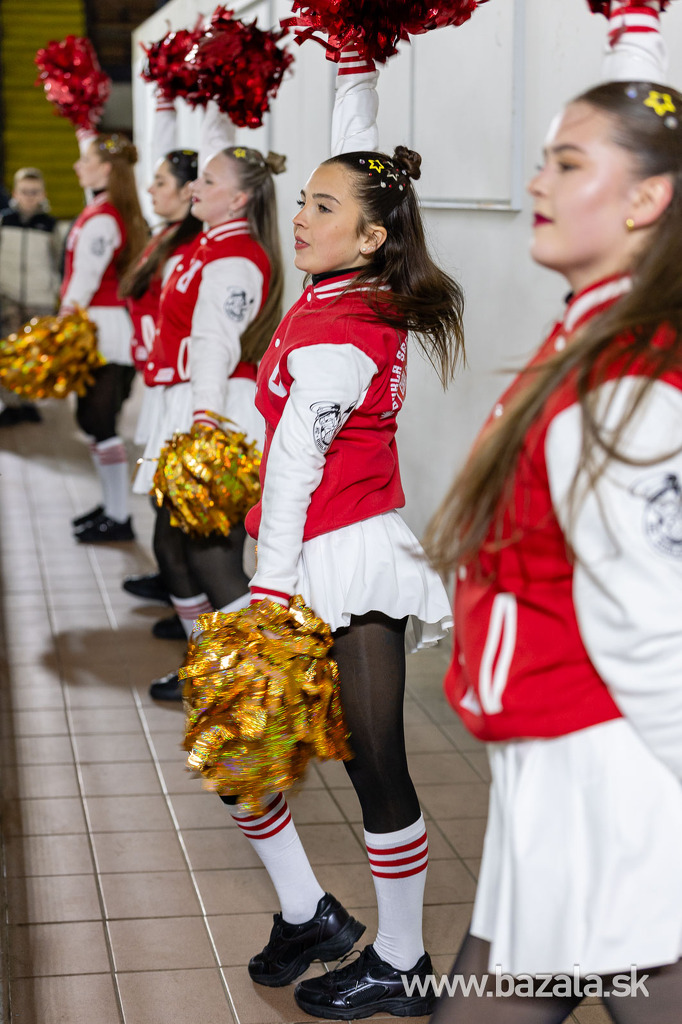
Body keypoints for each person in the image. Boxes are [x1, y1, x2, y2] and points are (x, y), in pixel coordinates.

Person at [424, 4, 682, 1022]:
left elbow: (656, 633)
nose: (535, 184)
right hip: (554, 776)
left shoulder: (629, 382)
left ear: (647, 198)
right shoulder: (592, 334)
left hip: (621, 783)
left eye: (567, 164)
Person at [215, 48, 464, 1021]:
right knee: (242, 749)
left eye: (323, 208)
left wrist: (268, 596)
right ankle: (309, 914)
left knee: (375, 766)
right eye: (303, 201)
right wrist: (353, 66)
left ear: (369, 236)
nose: (302, 218)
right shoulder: (338, 289)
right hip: (311, 555)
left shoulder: (339, 328)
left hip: (344, 563)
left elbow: (294, 469)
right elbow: (361, 162)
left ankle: (401, 962)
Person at [134, 100, 285, 699]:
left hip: (218, 411)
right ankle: (212, 666)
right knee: (172, 546)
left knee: (211, 557)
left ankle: (258, 680)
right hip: (195, 407)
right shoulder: (208, 245)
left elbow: (215, 346)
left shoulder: (235, 258)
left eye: (209, 181)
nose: (196, 185)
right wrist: (210, 100)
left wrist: (203, 424)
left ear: (239, 199)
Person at [118, 92, 202, 625]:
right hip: (162, 381)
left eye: (160, 182)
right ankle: (178, 588)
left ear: (189, 192)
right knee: (160, 500)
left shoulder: (190, 246)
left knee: (176, 510)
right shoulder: (166, 235)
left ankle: (190, 597)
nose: (150, 189)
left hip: (180, 384)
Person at [65, 129, 148, 542]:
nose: (77, 167)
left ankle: (118, 515)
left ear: (106, 170)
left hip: (104, 328)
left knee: (100, 420)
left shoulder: (103, 217)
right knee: (94, 420)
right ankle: (111, 507)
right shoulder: (106, 210)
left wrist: (63, 323)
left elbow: (85, 278)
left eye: (86, 161)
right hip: (101, 324)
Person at [0, 167, 60, 426]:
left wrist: (55, 290)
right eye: (25, 192)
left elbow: (59, 260)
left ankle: (29, 402)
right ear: (15, 193)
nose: (29, 197)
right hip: (8, 297)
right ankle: (10, 403)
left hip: (39, 298)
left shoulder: (50, 226)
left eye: (34, 192)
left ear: (43, 194)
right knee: (9, 351)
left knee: (34, 354)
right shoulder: (4, 221)